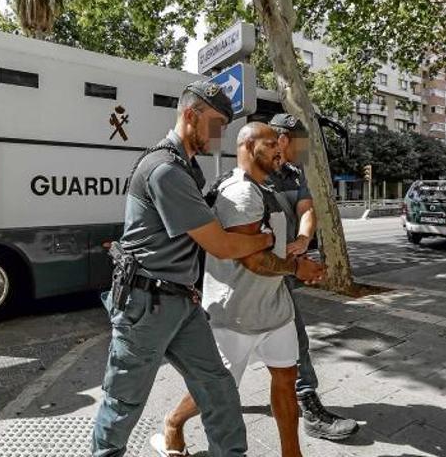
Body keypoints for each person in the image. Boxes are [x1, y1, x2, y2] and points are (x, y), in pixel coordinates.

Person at [91, 81, 275, 457]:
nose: (220, 133)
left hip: (179, 302)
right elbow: (220, 245)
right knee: (123, 402)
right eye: (216, 122)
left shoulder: (185, 167)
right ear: (191, 115)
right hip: (146, 306)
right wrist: (266, 240)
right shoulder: (165, 170)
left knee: (218, 387)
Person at [157, 123, 326, 457]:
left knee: (286, 377)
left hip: (275, 308)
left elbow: (287, 230)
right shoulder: (240, 193)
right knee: (217, 389)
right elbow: (253, 261)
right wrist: (298, 268)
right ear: (248, 146)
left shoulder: (266, 186)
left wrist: (298, 247)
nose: (280, 148)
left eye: (280, 143)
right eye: (270, 143)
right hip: (234, 315)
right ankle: (173, 422)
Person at [266, 113, 360, 440]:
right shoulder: (255, 172)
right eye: (302, 143)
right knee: (224, 365)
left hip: (279, 278)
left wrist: (304, 239)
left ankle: (306, 403)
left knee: (292, 343)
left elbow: (307, 210)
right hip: (253, 282)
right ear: (282, 140)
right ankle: (177, 421)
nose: (306, 151)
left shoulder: (293, 175)